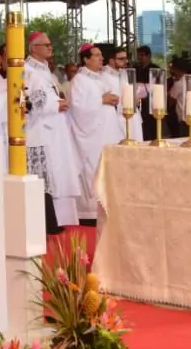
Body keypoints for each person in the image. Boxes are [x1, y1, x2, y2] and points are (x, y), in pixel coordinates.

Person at [25, 32, 80, 232]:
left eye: (50, 44)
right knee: (49, 174)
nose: (50, 47)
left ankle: (58, 218)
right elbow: (29, 100)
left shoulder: (45, 69)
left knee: (59, 171)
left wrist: (59, 101)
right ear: (33, 48)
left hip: (55, 126)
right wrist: (55, 105)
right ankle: (48, 221)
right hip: (40, 128)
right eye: (46, 45)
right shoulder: (27, 69)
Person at [67, 44, 122, 222]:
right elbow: (78, 108)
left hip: (107, 132)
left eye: (100, 55)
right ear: (86, 59)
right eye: (96, 55)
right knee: (94, 168)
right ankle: (89, 212)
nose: (101, 58)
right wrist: (101, 100)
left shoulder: (98, 78)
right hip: (92, 136)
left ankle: (109, 205)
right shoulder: (80, 80)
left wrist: (111, 100)